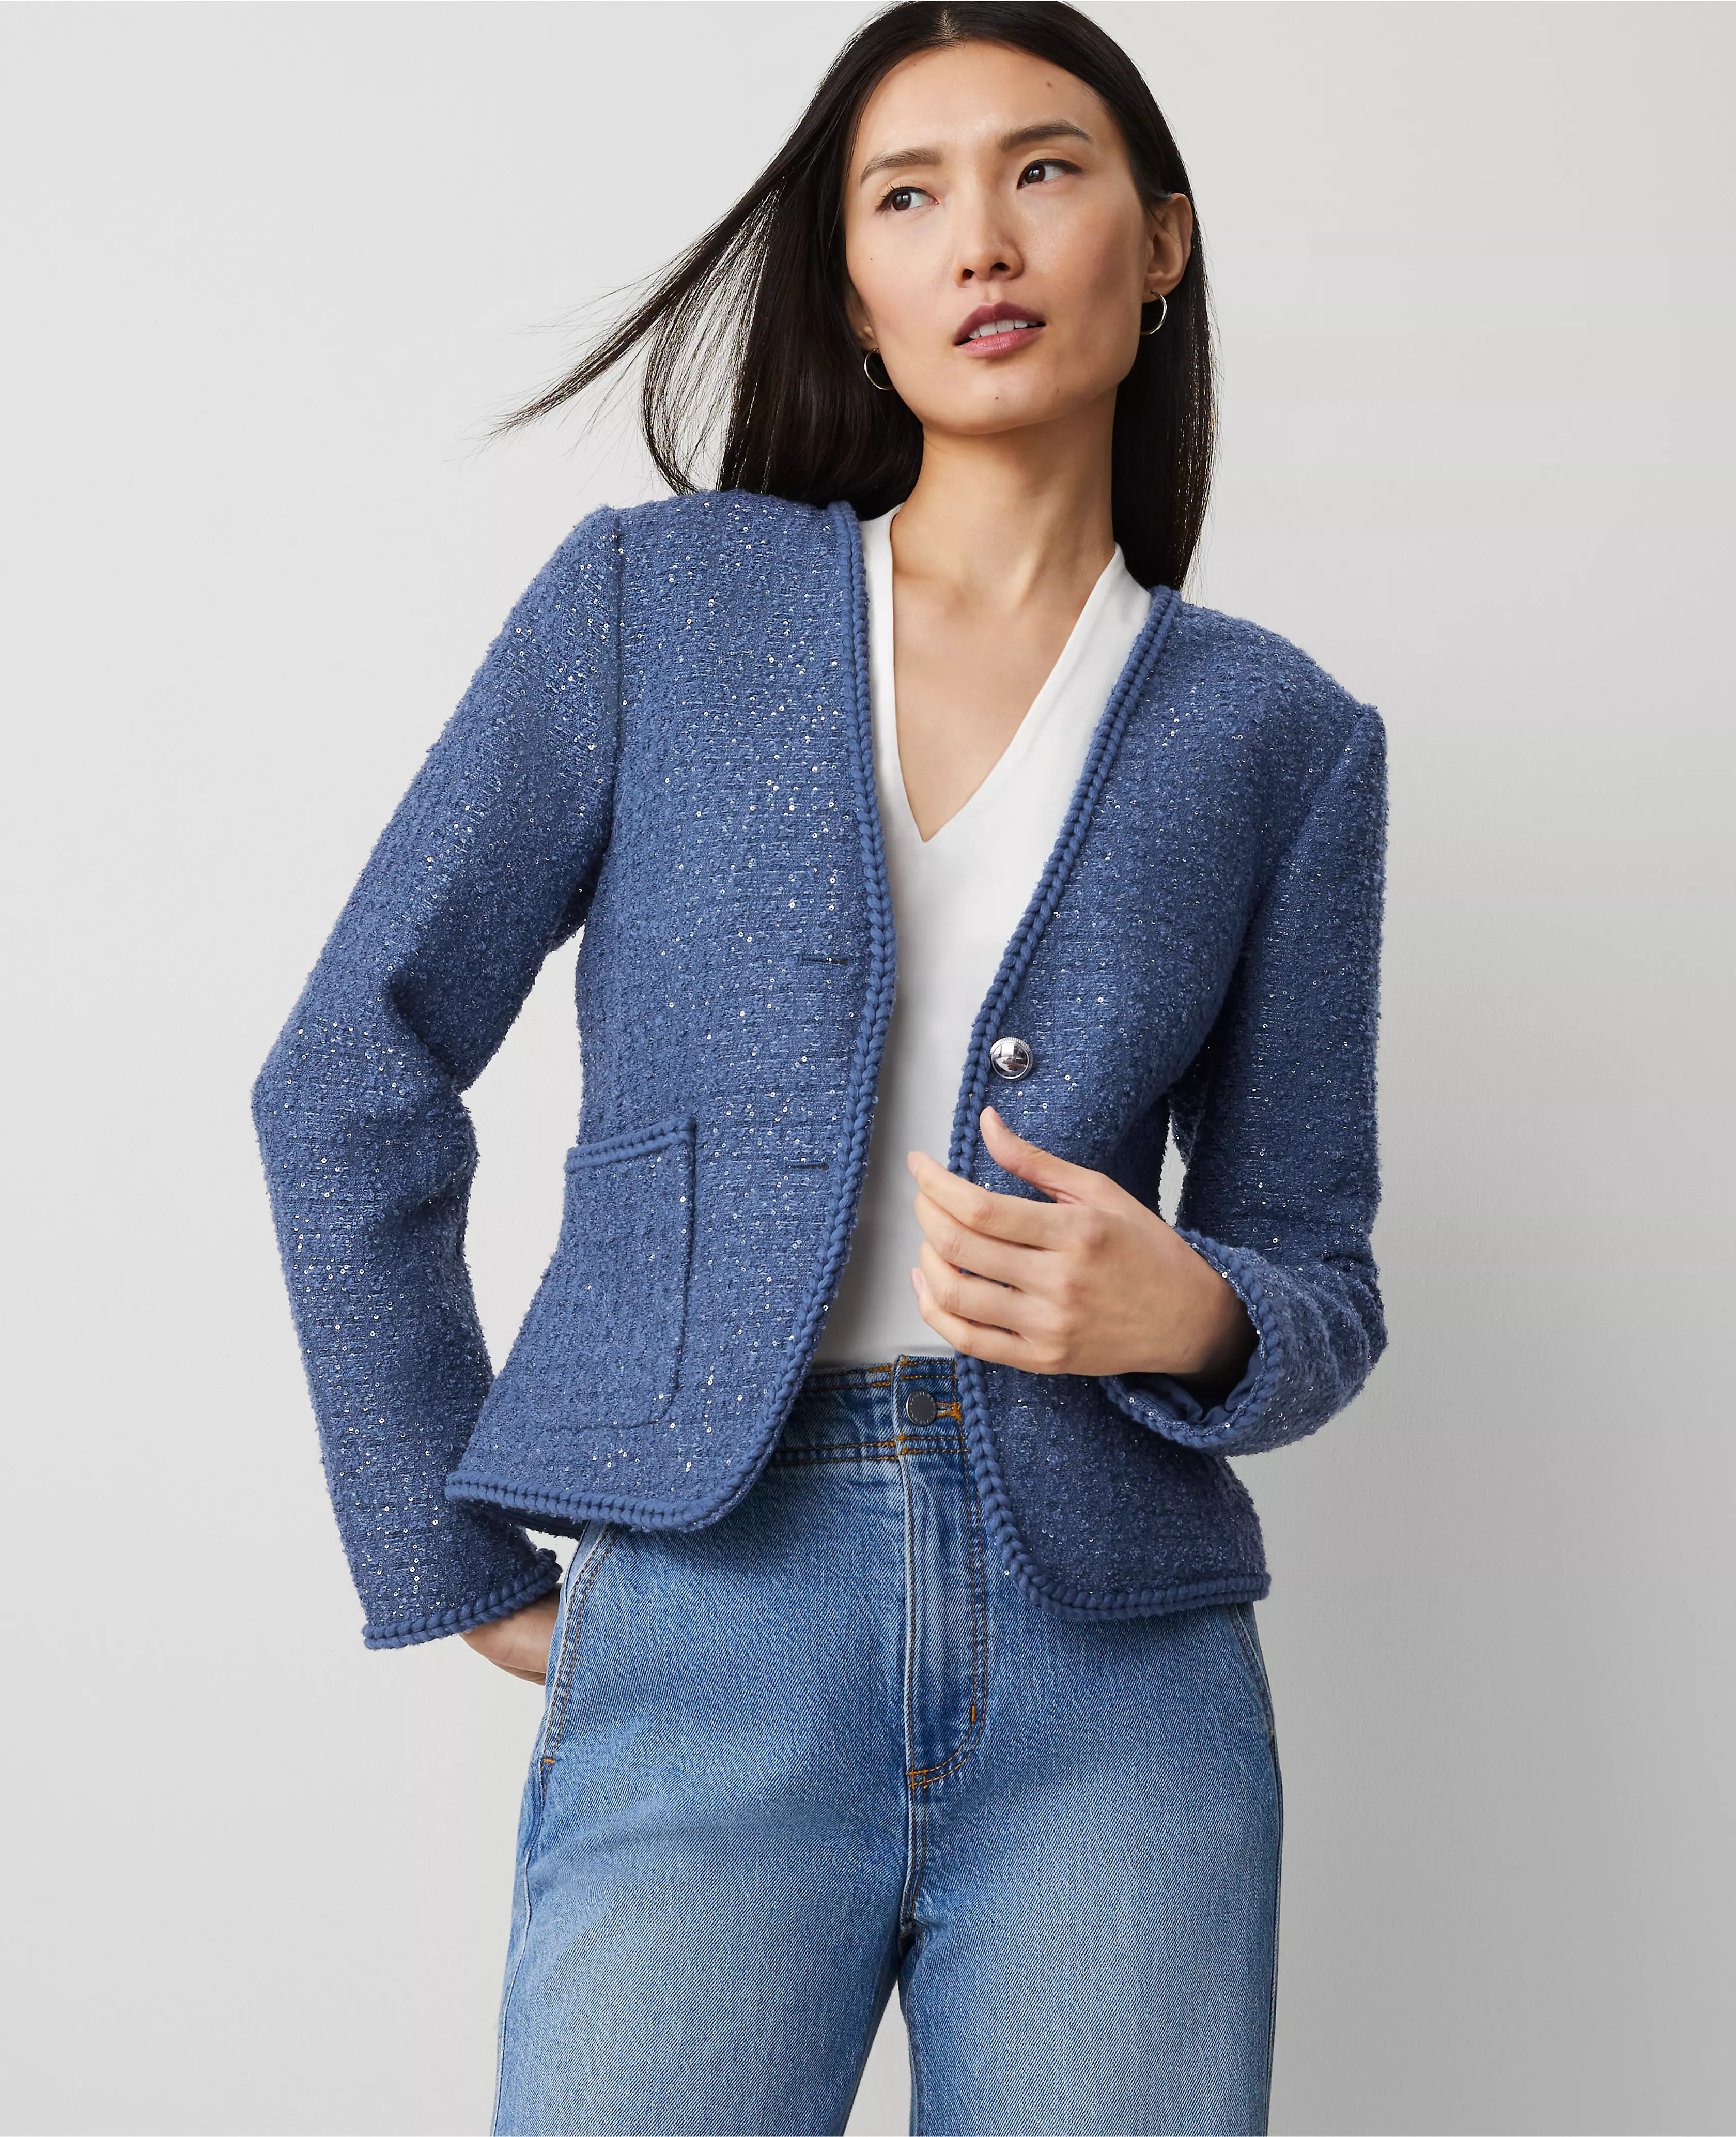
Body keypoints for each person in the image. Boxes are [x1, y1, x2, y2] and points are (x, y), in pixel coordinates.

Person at [252, 4, 1388, 2131]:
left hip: (1122, 1674)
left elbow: (1318, 1265)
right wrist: (442, 1540)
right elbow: (346, 1068)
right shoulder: (655, 607)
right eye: (907, 194)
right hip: (717, 1593)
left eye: (1043, 171)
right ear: (855, 292)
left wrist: (1202, 1313)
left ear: (1160, 243)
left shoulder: (1283, 737)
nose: (983, 240)